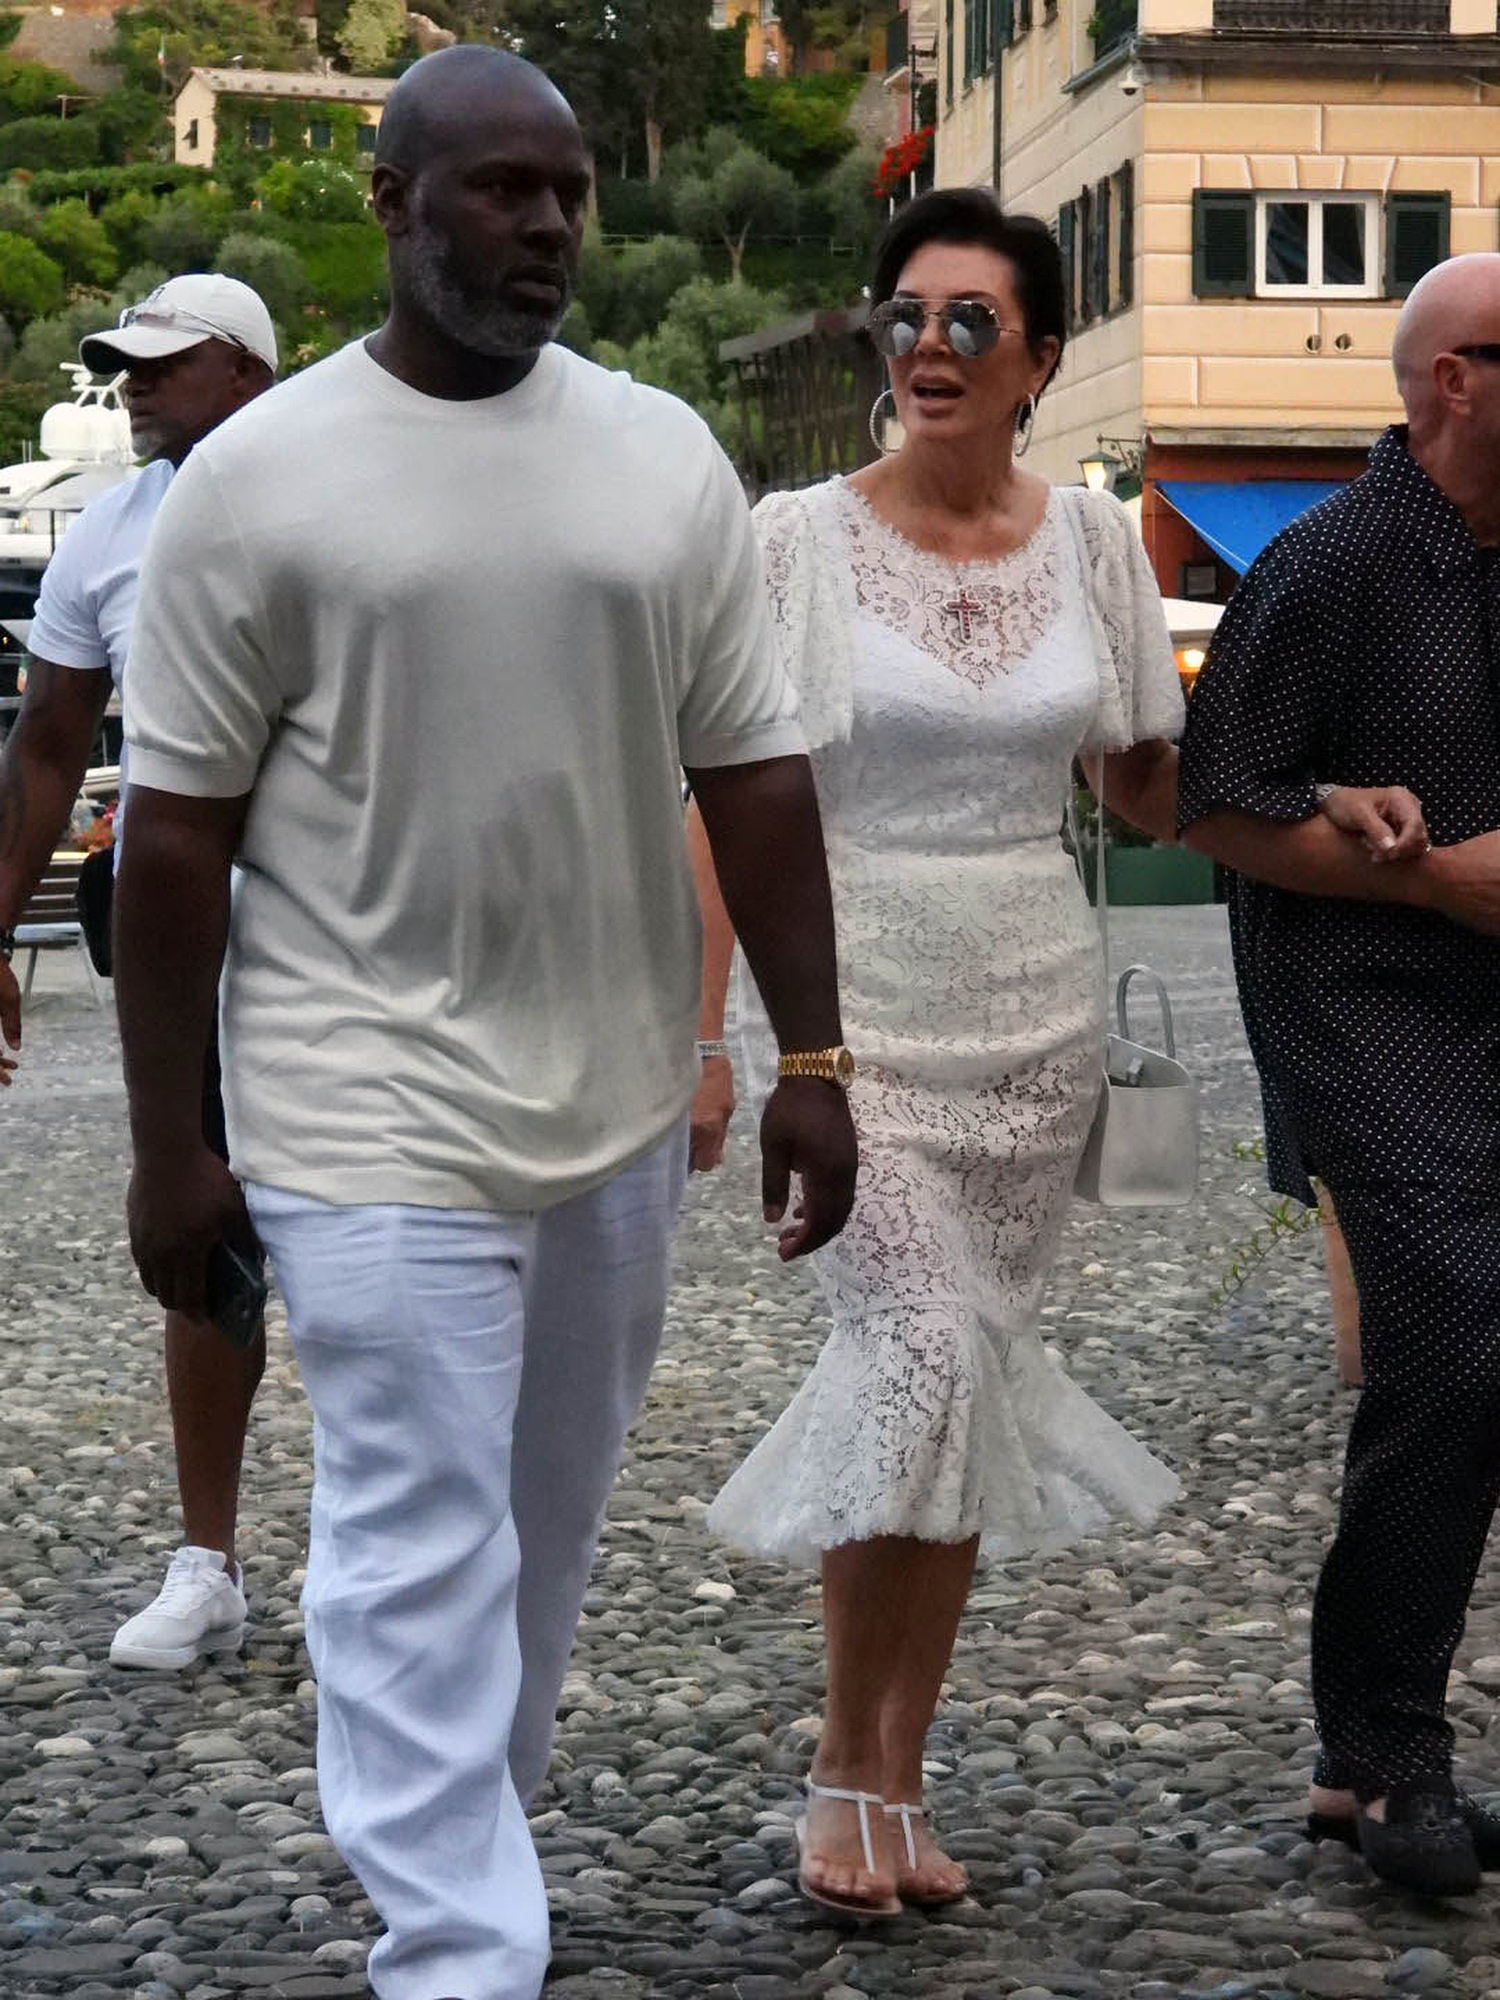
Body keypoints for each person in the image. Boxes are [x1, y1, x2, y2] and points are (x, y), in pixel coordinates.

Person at [113, 46, 856, 2000]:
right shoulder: (255, 487)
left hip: (608, 1093)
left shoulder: (662, 458)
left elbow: (755, 773)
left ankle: (479, 1825)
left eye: (568, 188)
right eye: (497, 188)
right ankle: (458, 1947)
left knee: (538, 1515)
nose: (543, 223)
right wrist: (170, 1146)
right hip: (355, 1101)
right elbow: (173, 843)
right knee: (410, 1512)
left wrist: (812, 1058)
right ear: (390, 203)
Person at [690, 188, 1187, 1918]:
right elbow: (724, 806)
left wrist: (1325, 790)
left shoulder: (1101, 543)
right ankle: (840, 1767)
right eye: (901, 316)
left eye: (973, 321)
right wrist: (710, 1041)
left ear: (1043, 358)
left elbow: (1143, 782)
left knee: (966, 1377)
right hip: (852, 1024)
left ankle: (903, 1776)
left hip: (1038, 1024)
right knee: (915, 1346)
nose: (928, 348)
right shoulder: (791, 542)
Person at [1177, 251, 1500, 1897]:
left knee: (1477, 1372)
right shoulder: (1328, 562)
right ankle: (1386, 1753)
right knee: (1450, 1346)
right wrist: (1425, 871)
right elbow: (1213, 802)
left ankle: (1364, 1746)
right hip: (1362, 1007)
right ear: (1455, 379)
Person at [0, 274, 277, 1670]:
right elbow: (51, 741)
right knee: (198, 1208)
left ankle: (398, 1542)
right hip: (177, 914)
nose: (132, 383)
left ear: (247, 368)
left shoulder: (324, 491)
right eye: (121, 364)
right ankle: (207, 1558)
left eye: (165, 363)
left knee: (385, 1225)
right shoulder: (105, 533)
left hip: (344, 912)